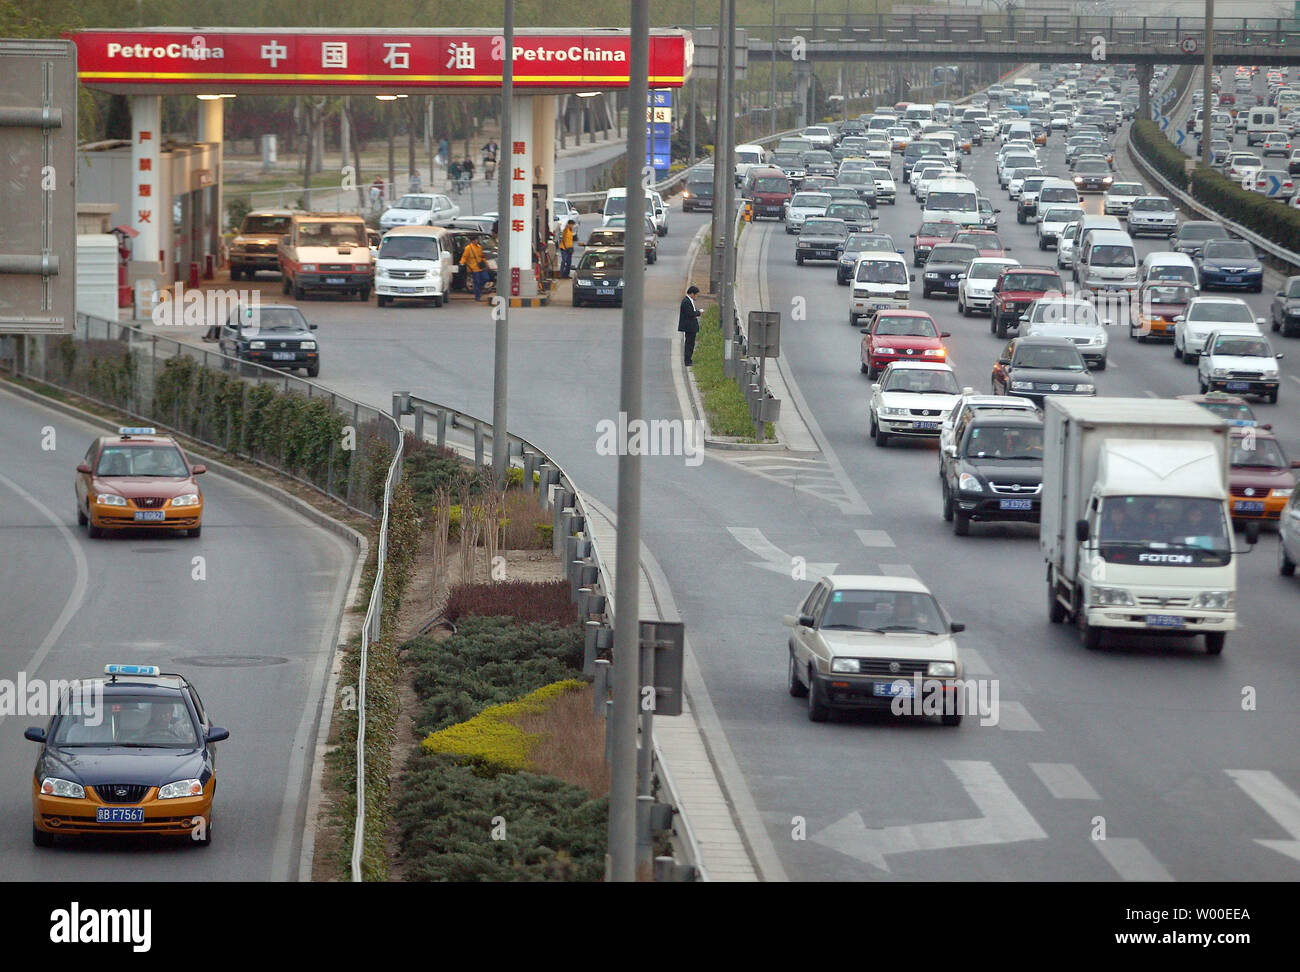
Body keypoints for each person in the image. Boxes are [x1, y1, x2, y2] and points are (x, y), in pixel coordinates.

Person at [678, 285, 702, 367]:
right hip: (689, 327)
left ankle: (689, 359)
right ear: (692, 294)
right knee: (689, 344)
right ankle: (687, 360)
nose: (697, 297)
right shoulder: (686, 301)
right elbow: (690, 313)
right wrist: (699, 313)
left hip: (691, 327)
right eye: (696, 295)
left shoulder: (689, 301)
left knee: (690, 343)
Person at [460, 235, 489, 301]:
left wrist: (486, 264)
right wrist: (461, 262)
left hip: (481, 267)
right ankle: (477, 296)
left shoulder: (479, 247)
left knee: (486, 278)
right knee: (476, 282)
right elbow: (464, 257)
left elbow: (482, 256)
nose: (476, 241)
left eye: (477, 240)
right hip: (473, 268)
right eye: (475, 240)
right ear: (472, 241)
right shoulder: (468, 248)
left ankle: (479, 290)